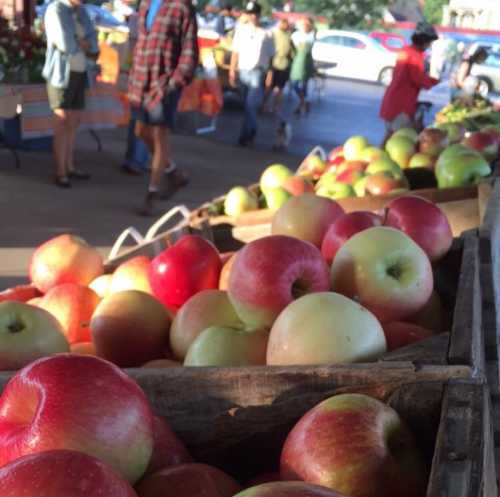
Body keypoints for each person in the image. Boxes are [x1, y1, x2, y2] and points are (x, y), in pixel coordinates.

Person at [128, 0, 198, 216]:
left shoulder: (182, 7)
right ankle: (174, 172)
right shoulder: (146, 4)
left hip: (163, 84)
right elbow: (142, 41)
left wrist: (173, 83)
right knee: (140, 131)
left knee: (160, 136)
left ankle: (152, 193)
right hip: (141, 82)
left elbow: (190, 53)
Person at [42, 0, 99, 188]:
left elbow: (93, 41)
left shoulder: (82, 11)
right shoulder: (55, 9)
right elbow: (64, 43)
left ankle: (70, 166)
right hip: (60, 73)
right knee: (62, 120)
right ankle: (60, 172)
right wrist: (82, 43)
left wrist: (84, 43)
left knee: (74, 121)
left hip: (81, 71)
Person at [379, 21, 440, 145]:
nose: (429, 46)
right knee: (400, 142)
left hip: (391, 101)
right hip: (401, 106)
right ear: (424, 40)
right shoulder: (415, 55)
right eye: (429, 42)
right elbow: (418, 79)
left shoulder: (405, 50)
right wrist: (436, 83)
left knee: (389, 137)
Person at [229, 1, 275, 147]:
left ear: (259, 15)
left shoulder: (267, 34)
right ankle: (247, 133)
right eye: (250, 14)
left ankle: (249, 133)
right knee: (247, 106)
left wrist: (269, 75)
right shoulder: (241, 30)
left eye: (255, 14)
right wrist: (232, 70)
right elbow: (235, 51)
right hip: (243, 71)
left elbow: (271, 58)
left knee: (251, 105)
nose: (253, 16)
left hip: (257, 71)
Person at [262, 18, 293, 114]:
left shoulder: (288, 35)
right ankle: (263, 105)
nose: (286, 26)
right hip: (272, 64)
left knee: (279, 88)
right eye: (285, 23)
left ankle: (275, 108)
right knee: (268, 87)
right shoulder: (273, 33)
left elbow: (291, 50)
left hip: (284, 65)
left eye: (287, 24)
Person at [289, 17, 315, 116]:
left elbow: (293, 45)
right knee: (303, 85)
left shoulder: (299, 36)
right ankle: (303, 103)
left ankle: (302, 102)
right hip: (307, 61)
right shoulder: (311, 36)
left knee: (295, 83)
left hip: (300, 61)